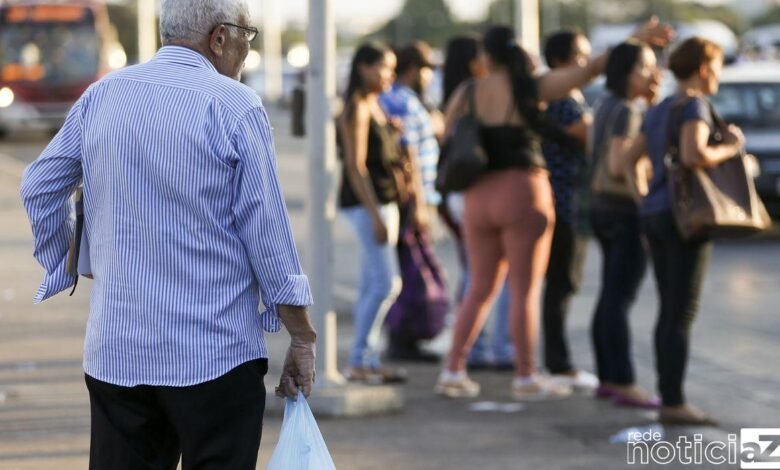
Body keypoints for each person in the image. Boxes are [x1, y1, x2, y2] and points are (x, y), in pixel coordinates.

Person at [19, 0, 316, 467]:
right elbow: (268, 236)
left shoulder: (104, 95)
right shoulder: (235, 106)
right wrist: (301, 337)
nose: (246, 48)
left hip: (117, 354)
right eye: (247, 35)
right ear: (219, 38)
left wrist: (70, 260)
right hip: (214, 358)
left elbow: (38, 186)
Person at [436, 21, 672, 400]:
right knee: (525, 289)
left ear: (485, 57)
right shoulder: (530, 87)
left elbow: (445, 133)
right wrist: (635, 41)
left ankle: (453, 370)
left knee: (478, 288)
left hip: (478, 195)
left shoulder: (468, 91)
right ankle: (526, 376)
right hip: (523, 191)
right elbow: (589, 69)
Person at [622, 37, 743, 425]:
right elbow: (694, 155)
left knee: (668, 308)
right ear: (705, 69)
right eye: (718, 68)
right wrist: (732, 147)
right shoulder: (694, 104)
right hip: (684, 218)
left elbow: (625, 161)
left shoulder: (658, 109)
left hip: (657, 213)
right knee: (680, 311)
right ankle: (673, 402)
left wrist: (643, 200)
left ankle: (668, 395)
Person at [589, 40, 661, 408]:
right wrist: (645, 206)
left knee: (609, 295)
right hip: (622, 210)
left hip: (601, 209)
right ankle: (621, 379)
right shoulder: (626, 111)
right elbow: (620, 166)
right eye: (644, 67)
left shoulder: (605, 105)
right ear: (625, 72)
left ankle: (607, 378)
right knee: (619, 297)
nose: (651, 74)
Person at [439, 34, 514, 371]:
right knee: (491, 273)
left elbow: (445, 133)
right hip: (484, 188)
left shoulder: (457, 92)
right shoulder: (484, 89)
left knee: (474, 270)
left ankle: (476, 346)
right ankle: (493, 347)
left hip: (457, 189)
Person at [338, 42, 407, 383]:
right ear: (364, 68)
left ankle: (367, 358)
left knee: (372, 284)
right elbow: (355, 166)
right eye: (385, 68)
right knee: (386, 283)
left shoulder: (375, 104)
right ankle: (359, 358)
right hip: (368, 205)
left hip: (385, 201)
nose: (390, 76)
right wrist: (375, 215)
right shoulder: (357, 108)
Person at [539, 30, 598, 390]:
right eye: (581, 56)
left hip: (565, 201)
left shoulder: (562, 97)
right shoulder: (563, 101)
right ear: (561, 60)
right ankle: (557, 363)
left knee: (561, 284)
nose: (587, 64)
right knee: (562, 284)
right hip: (564, 204)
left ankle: (554, 360)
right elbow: (593, 140)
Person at [380, 42, 443, 362]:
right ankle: (401, 338)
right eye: (428, 69)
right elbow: (408, 156)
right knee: (412, 272)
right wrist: (418, 203)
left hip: (411, 197)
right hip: (410, 198)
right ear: (416, 69)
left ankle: (405, 337)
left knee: (411, 270)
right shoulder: (401, 100)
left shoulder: (402, 99)